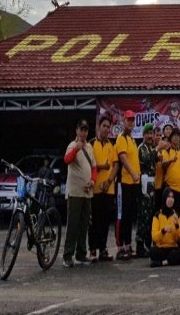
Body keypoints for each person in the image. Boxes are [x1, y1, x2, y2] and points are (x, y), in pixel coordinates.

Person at [62, 119, 96, 267]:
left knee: (84, 225)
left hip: (87, 192)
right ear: (76, 131)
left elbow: (94, 167)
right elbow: (67, 159)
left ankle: (81, 254)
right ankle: (67, 256)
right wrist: (76, 148)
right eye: (81, 130)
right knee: (73, 225)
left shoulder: (89, 147)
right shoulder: (72, 145)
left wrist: (93, 181)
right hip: (75, 192)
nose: (83, 133)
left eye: (86, 130)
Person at [89, 115, 118, 262]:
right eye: (104, 126)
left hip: (109, 189)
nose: (106, 129)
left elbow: (115, 165)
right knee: (95, 220)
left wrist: (109, 181)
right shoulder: (91, 144)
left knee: (106, 221)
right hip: (94, 189)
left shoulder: (111, 145)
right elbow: (88, 166)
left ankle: (103, 249)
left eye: (108, 127)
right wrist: (101, 167)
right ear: (98, 127)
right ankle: (93, 249)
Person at [115, 110, 141, 261]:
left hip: (134, 184)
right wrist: (132, 173)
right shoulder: (121, 138)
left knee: (130, 215)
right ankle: (121, 246)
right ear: (123, 121)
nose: (130, 122)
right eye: (128, 120)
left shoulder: (131, 139)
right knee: (122, 215)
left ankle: (128, 244)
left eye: (132, 120)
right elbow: (123, 158)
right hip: (124, 183)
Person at [150, 188, 180, 268]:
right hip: (161, 248)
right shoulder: (157, 215)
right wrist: (163, 231)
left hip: (173, 248)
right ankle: (173, 260)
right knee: (153, 251)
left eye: (172, 197)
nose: (171, 199)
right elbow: (154, 237)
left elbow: (178, 238)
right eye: (168, 197)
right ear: (164, 198)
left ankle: (163, 262)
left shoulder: (176, 215)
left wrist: (177, 226)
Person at [136, 123, 158, 258]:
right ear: (143, 135)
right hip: (144, 184)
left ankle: (147, 244)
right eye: (148, 134)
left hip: (152, 184)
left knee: (150, 216)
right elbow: (146, 159)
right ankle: (139, 245)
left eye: (151, 133)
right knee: (143, 217)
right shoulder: (142, 148)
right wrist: (157, 150)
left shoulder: (151, 147)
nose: (150, 136)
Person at [163, 129, 180, 210]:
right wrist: (171, 160)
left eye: (178, 136)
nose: (176, 138)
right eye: (174, 136)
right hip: (170, 189)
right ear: (170, 138)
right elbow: (163, 165)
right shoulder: (166, 151)